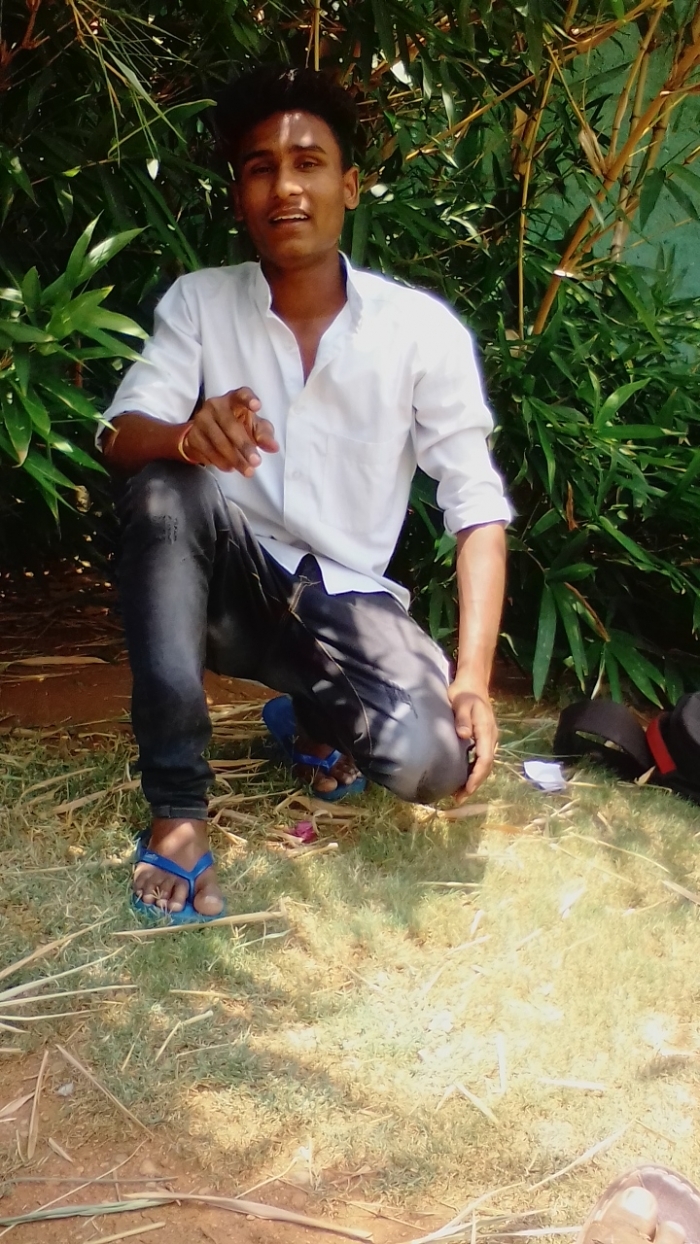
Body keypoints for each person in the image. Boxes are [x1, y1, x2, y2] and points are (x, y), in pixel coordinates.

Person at [100, 64, 511, 924]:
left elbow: (475, 504)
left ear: (349, 186)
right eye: (261, 168)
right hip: (227, 585)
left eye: (309, 163)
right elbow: (120, 435)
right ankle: (177, 810)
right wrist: (185, 437)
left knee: (436, 765)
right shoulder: (202, 303)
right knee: (164, 487)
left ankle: (315, 718)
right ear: (240, 197)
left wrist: (472, 676)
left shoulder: (418, 331)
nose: (285, 186)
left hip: (347, 602)